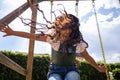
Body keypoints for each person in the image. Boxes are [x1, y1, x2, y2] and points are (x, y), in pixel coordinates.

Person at [0, 13, 106, 80]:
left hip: (71, 69)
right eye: (64, 28)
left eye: (70, 28)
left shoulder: (77, 44)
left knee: (72, 77)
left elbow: (87, 57)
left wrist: (98, 67)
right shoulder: (52, 39)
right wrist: (13, 32)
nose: (67, 31)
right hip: (55, 70)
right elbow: (31, 36)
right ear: (59, 28)